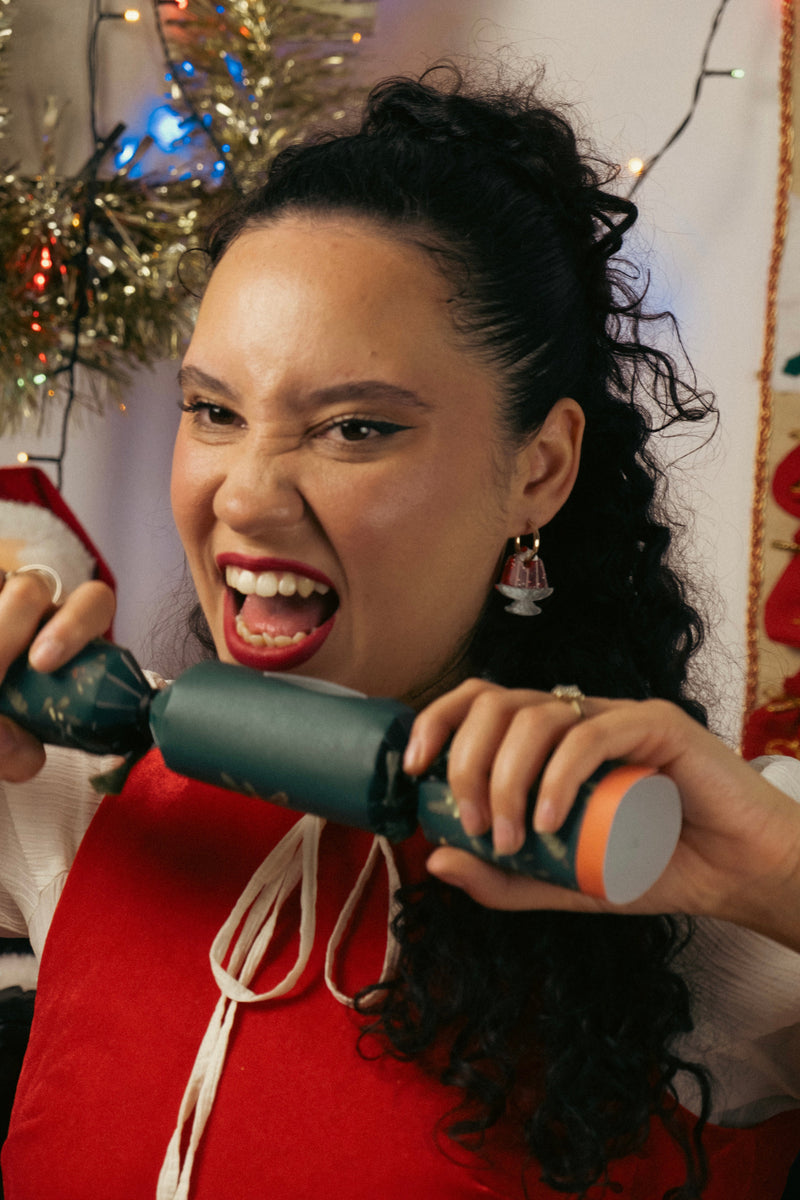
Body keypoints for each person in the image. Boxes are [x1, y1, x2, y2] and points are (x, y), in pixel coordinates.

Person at [0, 66, 798, 1200]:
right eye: (213, 411)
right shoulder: (80, 791)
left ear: (540, 468)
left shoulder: (674, 868)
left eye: (355, 426)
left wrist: (765, 872)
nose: (244, 496)